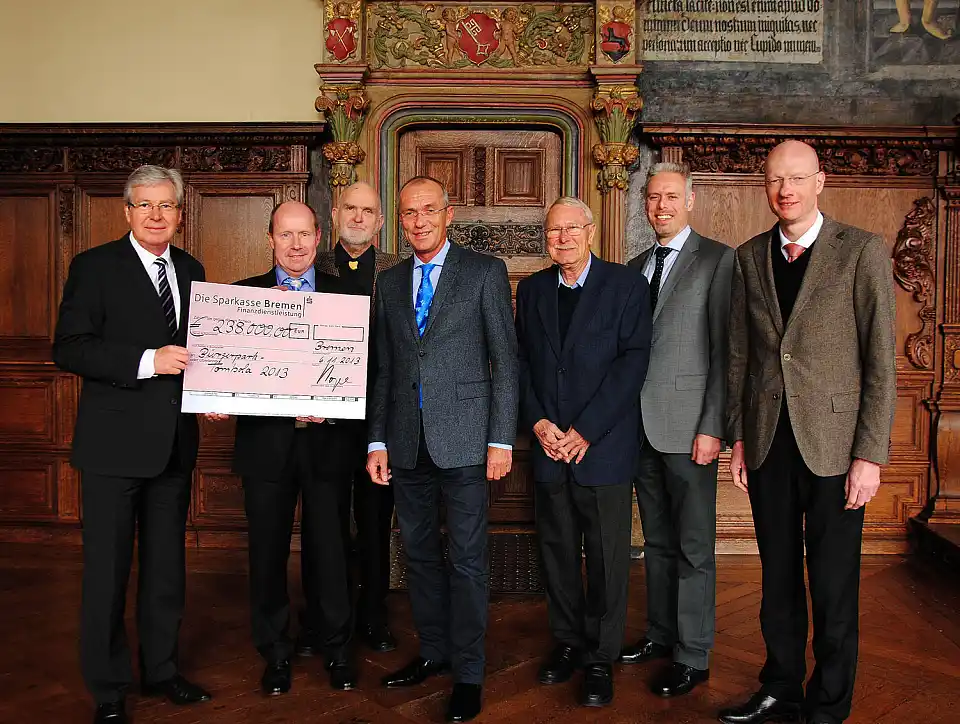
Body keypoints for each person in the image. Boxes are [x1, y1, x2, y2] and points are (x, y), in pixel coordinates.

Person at [720, 141, 897, 724]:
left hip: (837, 450)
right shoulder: (749, 256)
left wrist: (869, 455)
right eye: (775, 180)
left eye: (797, 179)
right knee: (776, 580)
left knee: (833, 582)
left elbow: (879, 361)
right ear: (764, 186)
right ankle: (781, 687)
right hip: (770, 442)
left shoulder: (860, 251)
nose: (785, 191)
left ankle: (828, 704)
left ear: (820, 182)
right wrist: (740, 438)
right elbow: (741, 358)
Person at [53, 165, 211, 724]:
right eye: (144, 205)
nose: (156, 215)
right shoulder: (94, 267)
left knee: (166, 570)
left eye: (166, 205)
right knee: (107, 572)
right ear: (127, 212)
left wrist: (212, 388)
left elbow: (202, 349)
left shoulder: (192, 269)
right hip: (112, 449)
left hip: (172, 446)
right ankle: (109, 687)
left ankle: (163, 670)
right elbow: (69, 348)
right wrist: (147, 361)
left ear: (179, 212)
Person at [366, 176, 518, 723]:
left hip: (468, 443)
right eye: (410, 213)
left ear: (448, 214)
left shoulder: (484, 272)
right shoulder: (389, 283)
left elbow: (505, 360)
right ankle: (433, 652)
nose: (420, 220)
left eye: (429, 210)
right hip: (406, 445)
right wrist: (377, 439)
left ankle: (470, 674)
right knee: (420, 558)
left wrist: (500, 439)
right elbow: (384, 369)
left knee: (469, 562)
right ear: (400, 221)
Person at [207, 201, 361, 696]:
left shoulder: (346, 295)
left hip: (327, 445)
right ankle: (274, 651)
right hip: (266, 448)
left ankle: (337, 648)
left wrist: (334, 406)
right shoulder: (241, 298)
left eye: (304, 235)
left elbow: (367, 371)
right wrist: (215, 395)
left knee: (331, 550)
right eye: (284, 235)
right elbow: (218, 370)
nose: (295, 246)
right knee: (268, 552)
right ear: (269, 238)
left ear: (319, 237)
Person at [516, 197, 652, 708]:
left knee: (606, 557)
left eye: (572, 229)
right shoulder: (531, 291)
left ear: (591, 232)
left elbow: (632, 364)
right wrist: (538, 421)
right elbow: (521, 363)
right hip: (549, 447)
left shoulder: (625, 286)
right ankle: (568, 643)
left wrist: (586, 430)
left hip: (603, 449)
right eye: (553, 231)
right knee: (556, 552)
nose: (562, 238)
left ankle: (601, 657)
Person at [620, 163, 733, 697]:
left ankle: (693, 654)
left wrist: (714, 427)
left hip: (691, 430)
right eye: (653, 198)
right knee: (657, 542)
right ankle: (661, 636)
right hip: (639, 427)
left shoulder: (717, 259)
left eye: (671, 197)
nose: (661, 206)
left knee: (693, 546)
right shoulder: (636, 264)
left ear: (690, 200)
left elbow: (725, 352)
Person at [314, 181, 401, 654]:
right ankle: (329, 614)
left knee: (373, 522)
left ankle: (374, 614)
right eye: (351, 207)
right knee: (326, 524)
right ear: (334, 213)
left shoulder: (397, 270)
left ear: (381, 221)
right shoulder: (312, 264)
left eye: (369, 210)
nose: (359, 217)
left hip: (377, 421)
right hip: (320, 424)